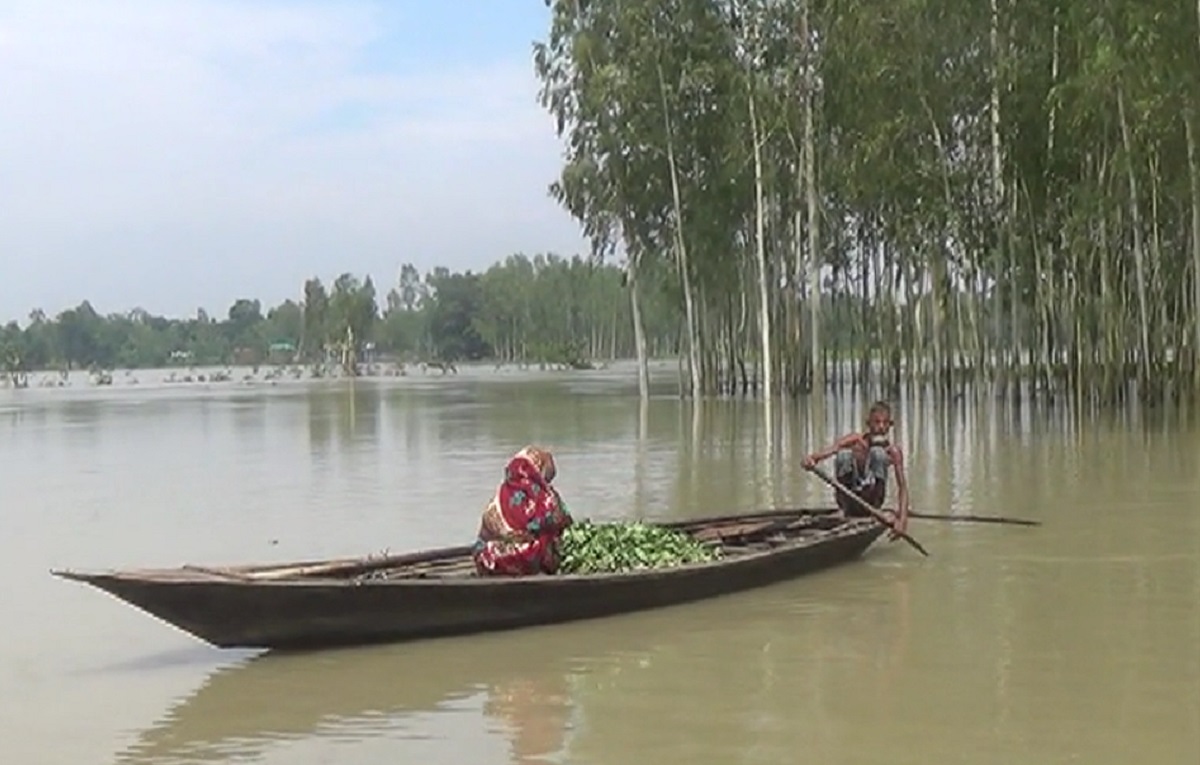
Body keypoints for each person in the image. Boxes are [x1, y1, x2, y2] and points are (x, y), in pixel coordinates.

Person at [802, 400, 910, 538]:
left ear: (890, 425)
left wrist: (902, 521)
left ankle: (872, 511)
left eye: (885, 423)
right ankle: (846, 510)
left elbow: (903, 488)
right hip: (849, 499)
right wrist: (811, 459)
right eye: (876, 422)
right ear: (868, 424)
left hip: (872, 502)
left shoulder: (892, 451)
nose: (881, 427)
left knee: (878, 453)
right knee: (843, 455)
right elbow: (829, 451)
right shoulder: (856, 441)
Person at [472, 445, 574, 576]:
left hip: (487, 560)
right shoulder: (546, 497)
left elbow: (485, 534)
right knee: (551, 540)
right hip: (526, 561)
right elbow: (566, 523)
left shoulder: (500, 495)